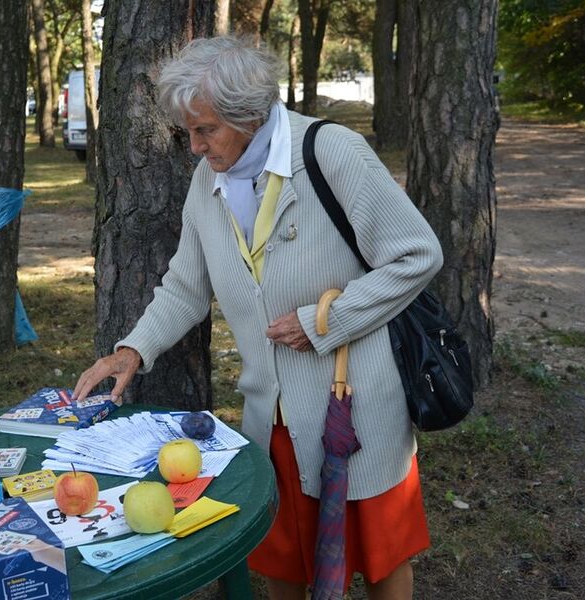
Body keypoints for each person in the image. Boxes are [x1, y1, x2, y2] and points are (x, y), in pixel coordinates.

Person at [72, 36, 443, 600]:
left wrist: (327, 320)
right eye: (188, 132)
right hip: (271, 416)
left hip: (356, 408)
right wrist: (134, 349)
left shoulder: (331, 151)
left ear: (249, 115)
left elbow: (417, 253)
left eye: (206, 130)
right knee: (283, 558)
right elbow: (186, 284)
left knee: (381, 555)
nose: (195, 147)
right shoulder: (208, 181)